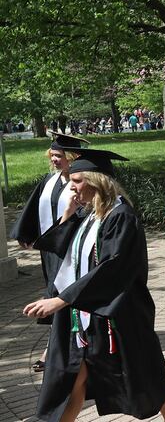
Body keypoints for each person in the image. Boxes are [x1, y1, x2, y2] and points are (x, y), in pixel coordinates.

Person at [23, 148, 165, 422]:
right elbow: (65, 255)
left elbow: (112, 267)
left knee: (143, 374)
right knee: (75, 379)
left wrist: (61, 300)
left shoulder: (121, 216)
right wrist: (67, 215)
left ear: (97, 181)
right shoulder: (90, 214)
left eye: (77, 181)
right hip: (86, 313)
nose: (71, 188)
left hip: (118, 312)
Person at [10, 132, 88, 371]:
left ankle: (52, 349)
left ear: (72, 157)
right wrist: (26, 233)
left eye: (59, 156)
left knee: (60, 294)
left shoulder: (83, 183)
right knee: (56, 293)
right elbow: (36, 207)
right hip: (51, 251)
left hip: (72, 248)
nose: (54, 160)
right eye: (52, 155)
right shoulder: (50, 181)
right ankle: (62, 343)